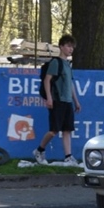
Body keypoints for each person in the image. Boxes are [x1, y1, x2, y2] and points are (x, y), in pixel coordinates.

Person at [34, 34, 82, 165]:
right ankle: (39, 150)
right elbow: (47, 80)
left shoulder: (68, 65)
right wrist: (49, 98)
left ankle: (68, 157)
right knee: (53, 130)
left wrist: (76, 101)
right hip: (57, 100)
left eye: (72, 47)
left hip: (68, 102)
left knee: (67, 130)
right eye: (68, 46)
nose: (71, 49)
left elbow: (70, 84)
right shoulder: (56, 62)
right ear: (61, 47)